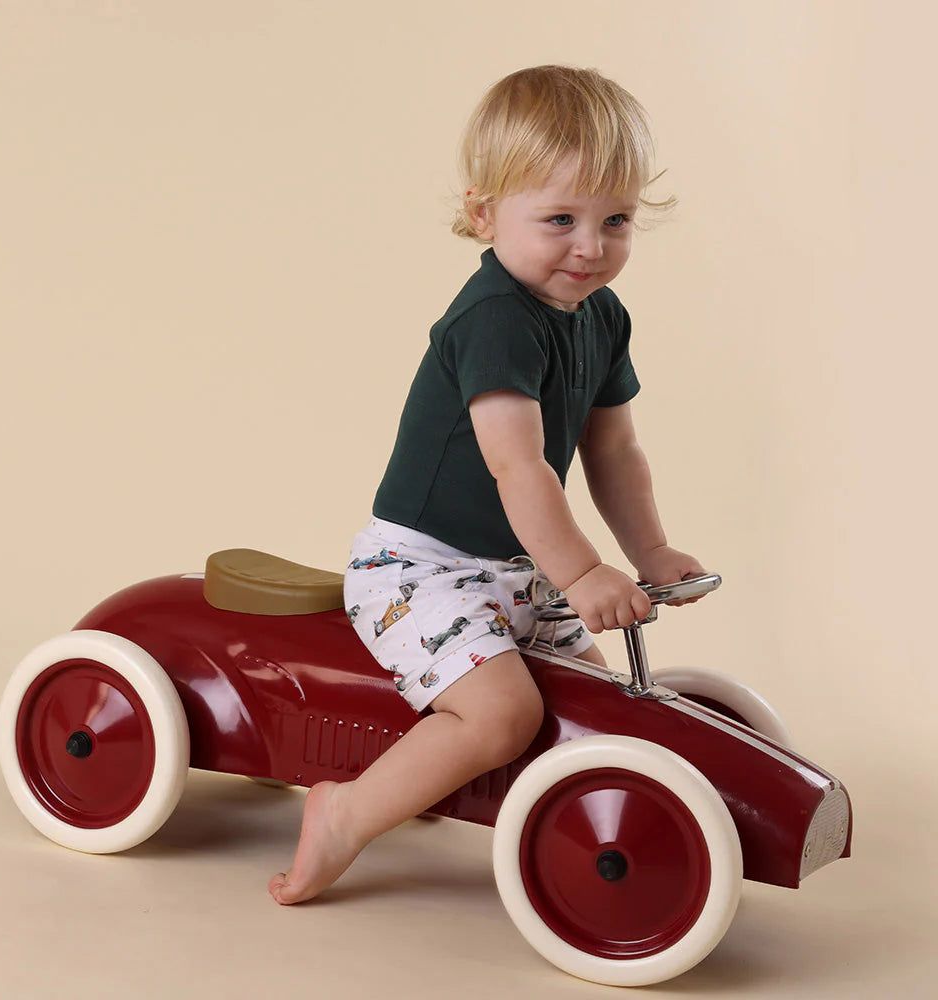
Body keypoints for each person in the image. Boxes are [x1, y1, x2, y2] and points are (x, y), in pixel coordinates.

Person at [269, 64, 707, 905]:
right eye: (561, 219)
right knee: (505, 715)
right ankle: (344, 813)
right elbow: (518, 465)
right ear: (484, 215)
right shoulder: (495, 319)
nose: (591, 246)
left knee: (597, 700)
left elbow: (614, 449)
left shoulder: (601, 315)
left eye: (615, 219)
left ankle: (588, 834)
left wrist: (649, 550)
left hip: (518, 567)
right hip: (422, 569)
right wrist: (584, 574)